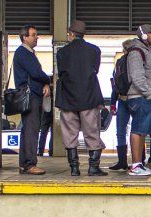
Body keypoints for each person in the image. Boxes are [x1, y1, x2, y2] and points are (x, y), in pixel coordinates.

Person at [54, 19, 107, 177]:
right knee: (92, 132)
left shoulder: (62, 52)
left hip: (68, 97)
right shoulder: (94, 50)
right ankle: (93, 167)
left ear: (71, 34)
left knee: (69, 133)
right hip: (89, 96)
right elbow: (95, 70)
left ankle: (74, 168)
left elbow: (61, 72)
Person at [121, 24, 151, 176]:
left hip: (142, 96)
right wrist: (149, 93)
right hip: (140, 97)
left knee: (141, 130)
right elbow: (137, 77)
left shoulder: (143, 51)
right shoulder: (136, 52)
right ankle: (136, 165)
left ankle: (139, 164)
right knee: (138, 129)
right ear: (144, 35)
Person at [13, 24, 52, 175]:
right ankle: (30, 163)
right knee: (32, 129)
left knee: (27, 129)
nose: (37, 37)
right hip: (31, 96)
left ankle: (24, 163)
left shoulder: (26, 52)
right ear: (25, 37)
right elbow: (36, 72)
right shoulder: (24, 53)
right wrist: (48, 80)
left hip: (31, 94)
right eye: (34, 35)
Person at [107, 42, 133, 171]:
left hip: (122, 100)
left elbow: (115, 85)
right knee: (137, 131)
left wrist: (113, 103)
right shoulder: (127, 62)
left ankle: (122, 161)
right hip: (135, 99)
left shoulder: (119, 62)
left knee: (121, 132)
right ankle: (138, 161)